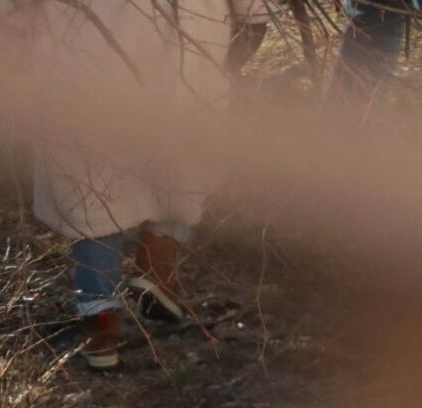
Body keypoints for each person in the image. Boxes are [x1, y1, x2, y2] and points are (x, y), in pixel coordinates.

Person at [20, 0, 269, 368]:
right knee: (179, 166)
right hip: (187, 56)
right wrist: (218, 65)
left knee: (94, 184)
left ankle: (100, 319)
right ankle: (158, 266)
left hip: (83, 63)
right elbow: (254, 18)